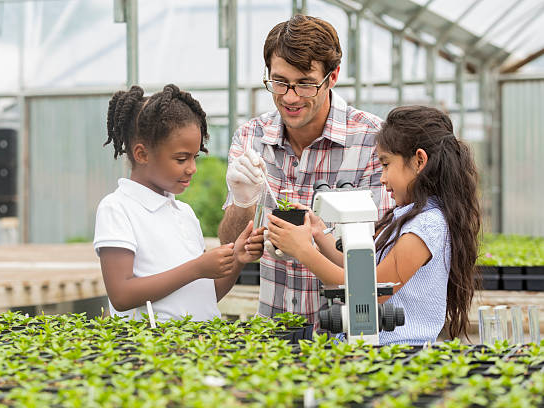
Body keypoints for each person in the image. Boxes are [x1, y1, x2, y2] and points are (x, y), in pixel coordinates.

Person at [218, 15, 393, 325]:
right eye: (280, 81)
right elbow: (230, 245)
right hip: (274, 330)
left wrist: (307, 245)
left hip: (349, 332)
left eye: (305, 84)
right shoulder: (251, 137)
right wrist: (243, 202)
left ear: (333, 76)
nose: (290, 97)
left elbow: (380, 257)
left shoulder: (372, 141)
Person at [267, 106, 481, 344]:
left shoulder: (426, 227)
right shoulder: (406, 215)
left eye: (386, 164)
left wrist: (303, 252)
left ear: (419, 160)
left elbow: (370, 291)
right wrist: (316, 232)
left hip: (398, 354)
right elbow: (360, 270)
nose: (382, 178)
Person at [94, 84, 264, 322]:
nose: (192, 168)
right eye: (181, 159)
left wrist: (237, 257)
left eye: (194, 157)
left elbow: (206, 295)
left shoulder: (184, 212)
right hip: (153, 351)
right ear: (142, 154)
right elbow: (121, 295)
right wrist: (197, 268)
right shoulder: (118, 208)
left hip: (198, 346)